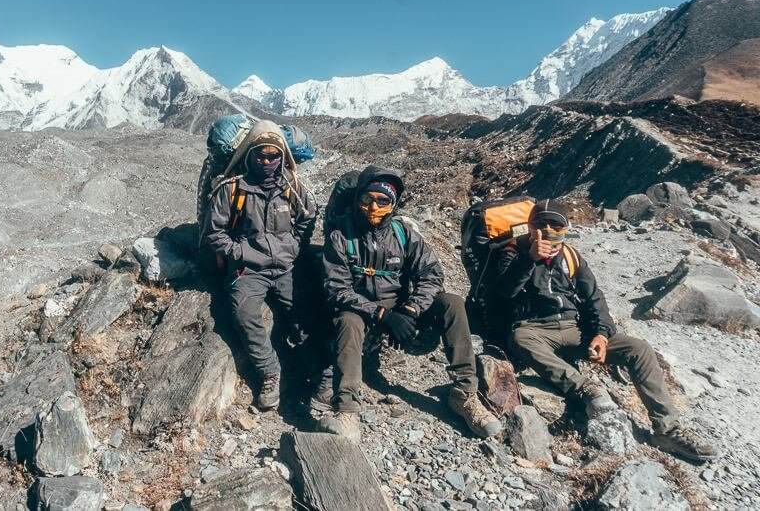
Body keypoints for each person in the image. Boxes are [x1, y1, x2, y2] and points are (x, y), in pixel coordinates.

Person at [498, 199, 719, 463]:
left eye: (554, 224)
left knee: (638, 348)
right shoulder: (512, 251)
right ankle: (586, 389)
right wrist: (529, 260)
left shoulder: (570, 256)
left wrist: (602, 334)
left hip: (574, 328)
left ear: (565, 228)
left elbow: (595, 299)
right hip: (534, 328)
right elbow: (502, 294)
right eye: (539, 223)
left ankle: (667, 430)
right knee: (520, 339)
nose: (547, 229)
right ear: (529, 226)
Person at [315, 165, 502, 441]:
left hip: (403, 312)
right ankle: (347, 410)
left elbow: (432, 274)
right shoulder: (340, 236)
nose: (373, 207)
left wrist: (412, 308)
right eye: (367, 199)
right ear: (358, 199)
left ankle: (465, 394)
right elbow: (336, 289)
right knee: (347, 319)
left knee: (452, 303)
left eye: (382, 201)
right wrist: (381, 314)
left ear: (393, 204)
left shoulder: (404, 235)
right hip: (362, 314)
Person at [201, 120, 317, 410]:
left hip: (285, 269)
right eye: (261, 156)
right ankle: (270, 372)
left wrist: (292, 247)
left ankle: (318, 373)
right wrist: (239, 252)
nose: (267, 161)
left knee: (305, 314)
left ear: (282, 157)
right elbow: (213, 233)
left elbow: (307, 219)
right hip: (247, 270)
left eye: (273, 156)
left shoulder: (294, 187)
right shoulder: (232, 189)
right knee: (244, 314)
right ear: (250, 155)